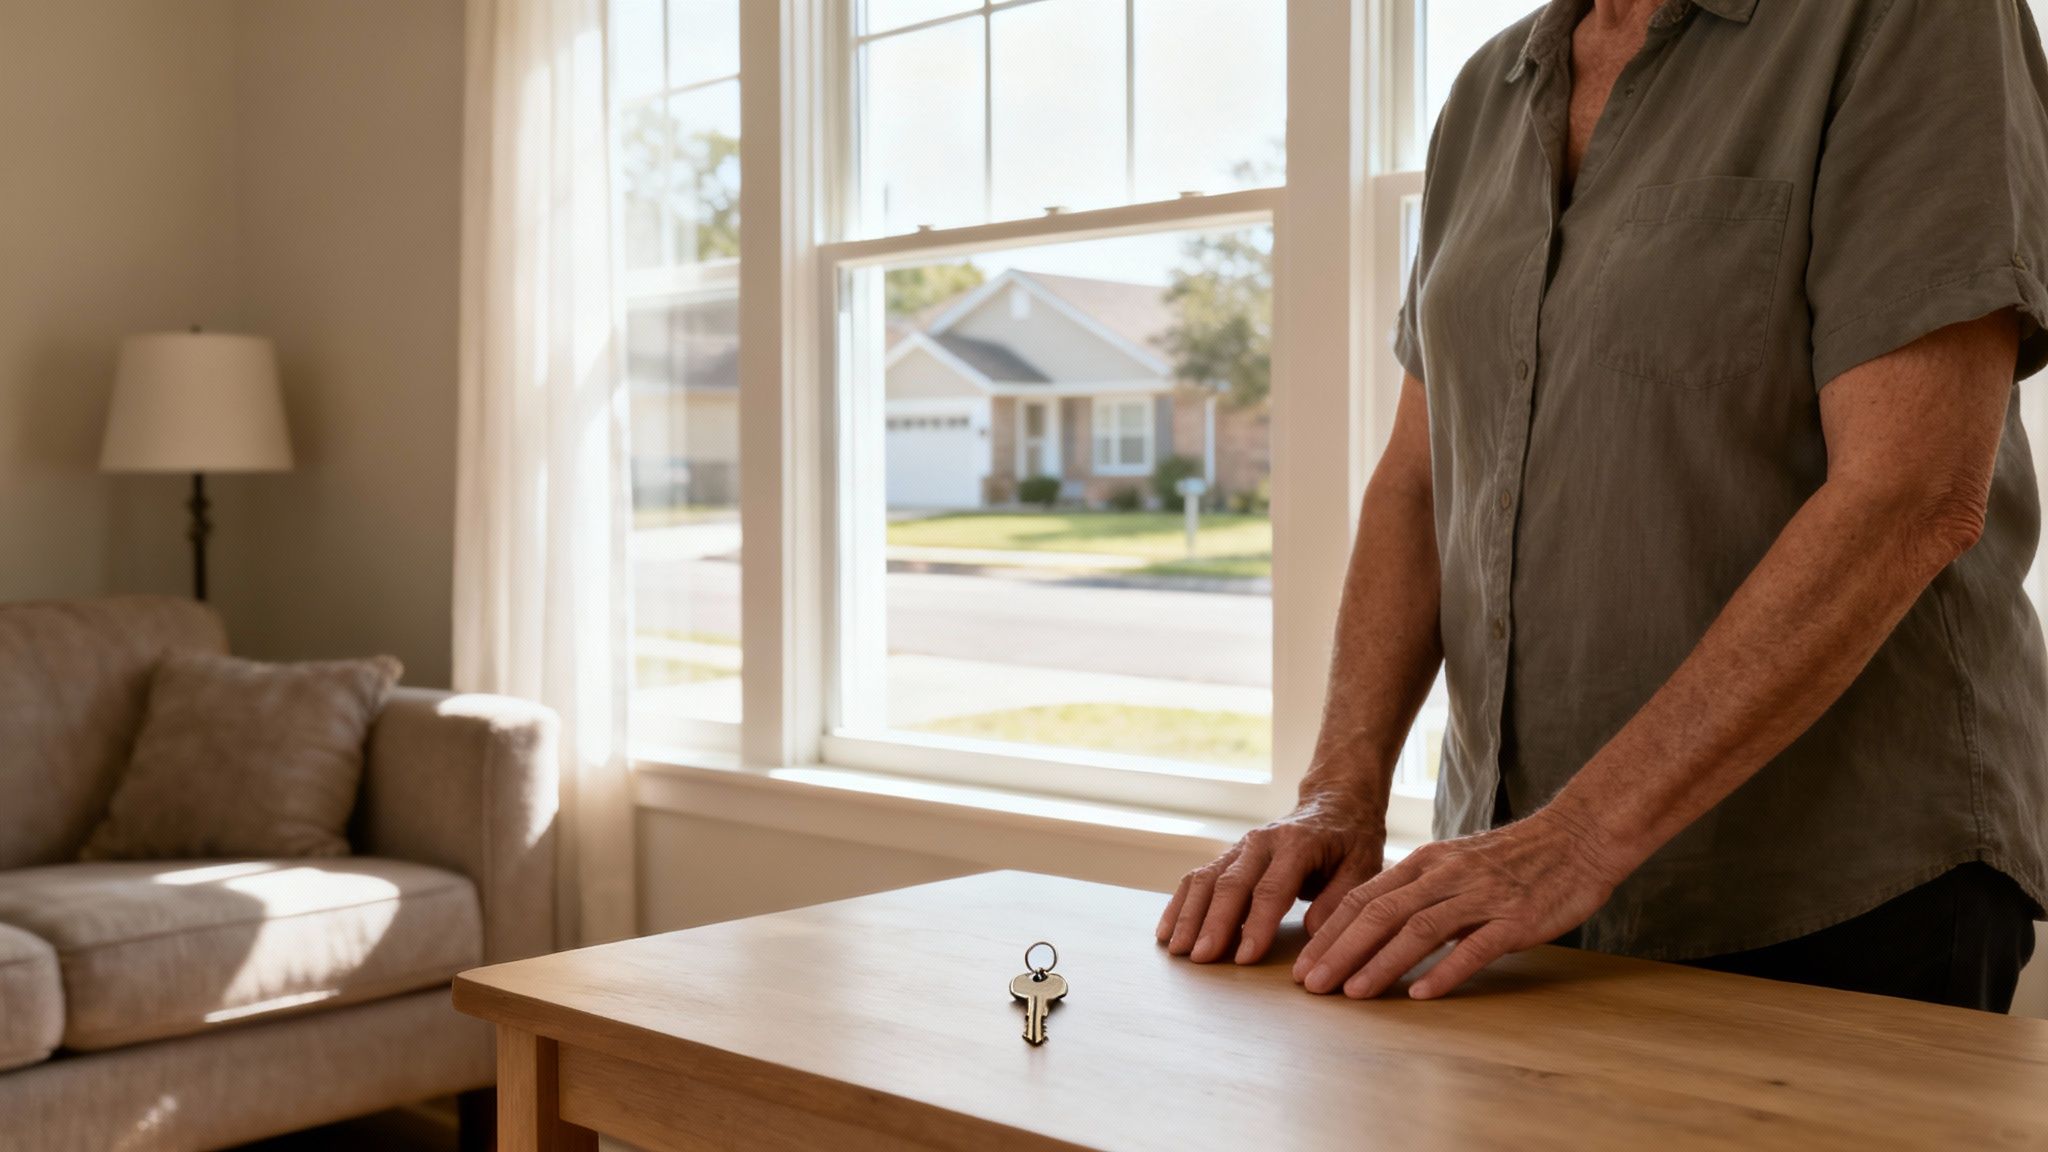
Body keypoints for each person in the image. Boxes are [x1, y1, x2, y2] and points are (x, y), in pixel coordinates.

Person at [1158, 0, 2048, 1012]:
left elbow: (1909, 495)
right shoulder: (1488, 89)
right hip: (1504, 896)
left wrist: (1576, 839)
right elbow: (1419, 479)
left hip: (1833, 891)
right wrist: (1338, 793)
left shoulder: (1907, 19)